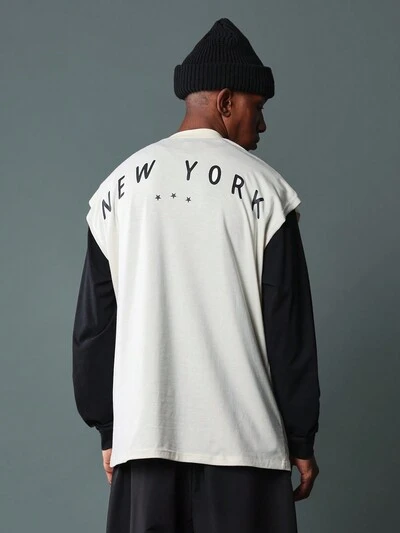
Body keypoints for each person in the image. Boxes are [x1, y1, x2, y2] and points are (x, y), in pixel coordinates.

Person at [72, 17, 320, 533]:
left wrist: (111, 430)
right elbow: (289, 329)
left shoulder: (115, 191)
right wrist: (300, 438)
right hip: (246, 449)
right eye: (258, 107)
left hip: (145, 442)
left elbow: (95, 327)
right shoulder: (268, 193)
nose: (262, 125)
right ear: (226, 102)